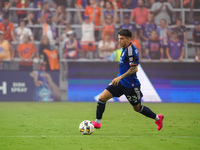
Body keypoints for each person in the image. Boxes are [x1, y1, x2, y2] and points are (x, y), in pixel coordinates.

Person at [92, 29, 164, 131]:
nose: (119, 41)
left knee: (137, 108)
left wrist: (120, 77)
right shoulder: (124, 49)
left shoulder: (131, 51)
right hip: (120, 83)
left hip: (131, 85)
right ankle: (97, 123)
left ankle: (158, 118)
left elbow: (134, 68)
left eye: (121, 39)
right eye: (118, 38)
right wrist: (119, 78)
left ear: (128, 39)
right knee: (102, 98)